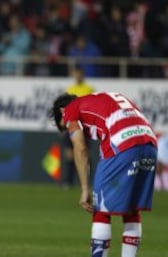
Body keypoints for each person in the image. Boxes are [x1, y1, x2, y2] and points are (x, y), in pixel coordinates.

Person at [50, 92, 157, 257]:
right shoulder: (103, 98)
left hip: (122, 143)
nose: (69, 129)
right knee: (132, 209)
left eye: (65, 126)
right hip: (149, 143)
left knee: (100, 209)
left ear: (63, 111)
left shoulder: (71, 109)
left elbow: (80, 147)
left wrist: (85, 189)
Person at [62, 66, 95, 189]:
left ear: (83, 75)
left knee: (84, 154)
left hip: (84, 126)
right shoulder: (70, 89)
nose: (78, 76)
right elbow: (65, 109)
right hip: (71, 125)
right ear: (73, 74)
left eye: (80, 74)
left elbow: (92, 107)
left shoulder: (89, 89)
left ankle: (87, 181)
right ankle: (68, 182)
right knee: (69, 155)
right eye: (76, 73)